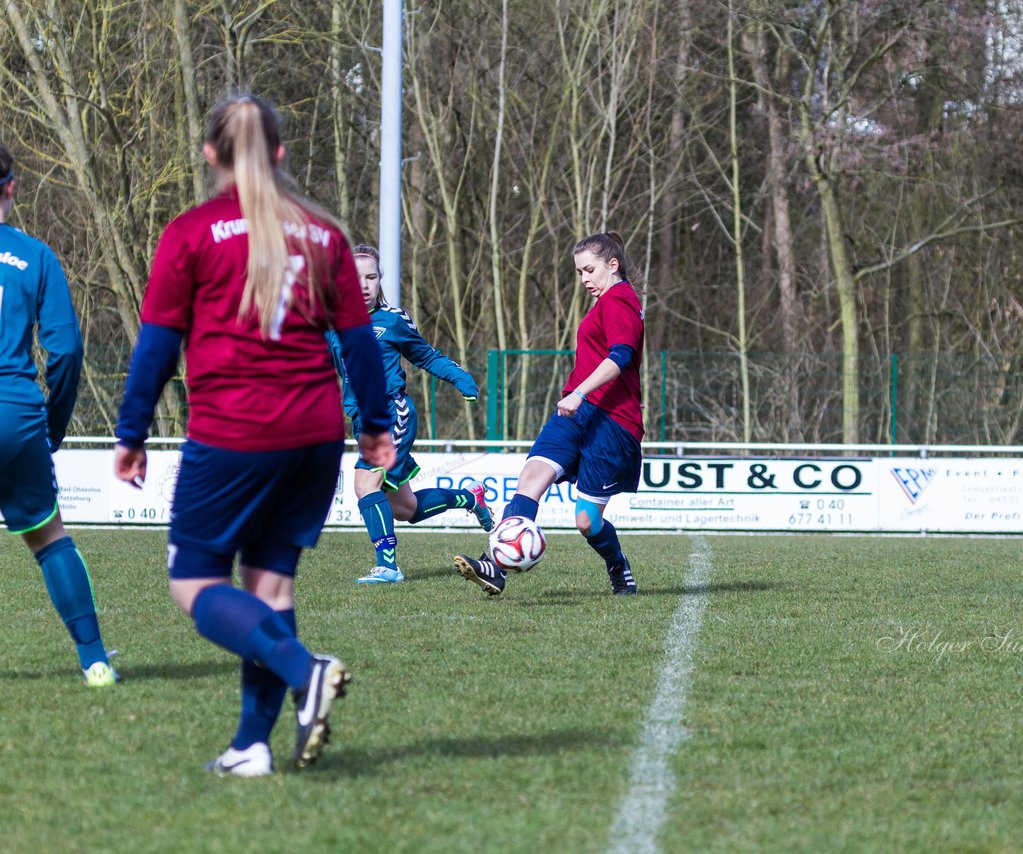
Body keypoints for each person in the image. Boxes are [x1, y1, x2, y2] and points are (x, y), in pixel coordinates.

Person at [112, 93, 394, 777]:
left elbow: (156, 347)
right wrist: (375, 428)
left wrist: (131, 433)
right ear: (279, 153)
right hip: (315, 433)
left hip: (235, 430)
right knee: (270, 590)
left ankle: (307, 670)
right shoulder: (325, 235)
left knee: (192, 581)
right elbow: (360, 344)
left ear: (210, 155)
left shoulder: (189, 233)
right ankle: (252, 746)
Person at [454, 231, 644, 597]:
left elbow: (620, 357)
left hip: (611, 420)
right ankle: (495, 567)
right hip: (576, 412)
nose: (585, 279)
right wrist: (576, 397)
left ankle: (617, 564)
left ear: (613, 265)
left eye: (589, 270)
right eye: (579, 273)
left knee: (587, 522)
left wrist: (579, 393)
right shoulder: (604, 302)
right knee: (531, 478)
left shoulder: (621, 301)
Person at [0, 143, 118, 687]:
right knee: (48, 536)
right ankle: (94, 660)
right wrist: (55, 422)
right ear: (12, 187)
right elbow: (66, 351)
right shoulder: (36, 257)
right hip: (16, 414)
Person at [326, 244, 493, 584]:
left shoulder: (393, 320)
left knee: (365, 482)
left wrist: (461, 378)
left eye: (371, 277)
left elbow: (427, 356)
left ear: (379, 280)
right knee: (405, 509)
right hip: (363, 421)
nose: (364, 285)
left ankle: (388, 566)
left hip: (392, 413)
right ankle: (469, 498)